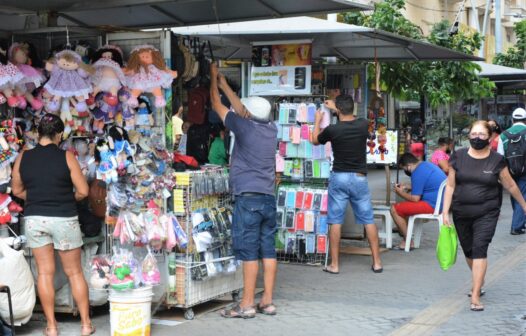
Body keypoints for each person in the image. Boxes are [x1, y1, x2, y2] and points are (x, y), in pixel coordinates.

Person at [11, 114, 94, 336]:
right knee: (74, 272)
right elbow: (84, 191)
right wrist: (64, 198)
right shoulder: (66, 157)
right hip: (64, 218)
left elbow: (17, 190)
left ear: (39, 133)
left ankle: (51, 327)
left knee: (45, 274)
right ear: (59, 134)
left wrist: (39, 198)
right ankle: (86, 325)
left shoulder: (23, 157)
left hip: (35, 219)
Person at [210, 63, 278, 318]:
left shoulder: (245, 127)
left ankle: (247, 304)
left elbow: (218, 105)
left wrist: (214, 81)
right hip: (268, 198)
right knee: (267, 250)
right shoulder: (271, 129)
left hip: (248, 199)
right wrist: (224, 83)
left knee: (249, 252)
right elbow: (240, 108)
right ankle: (267, 302)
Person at [442, 120, 526, 312]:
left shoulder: (496, 160)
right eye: (473, 134)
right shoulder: (458, 156)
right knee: (469, 251)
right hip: (461, 212)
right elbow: (450, 185)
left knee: (480, 249)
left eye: (481, 135)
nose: (477, 138)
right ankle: (479, 278)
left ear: (490, 137)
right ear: (468, 136)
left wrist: (523, 205)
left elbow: (511, 185)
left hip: (487, 212)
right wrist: (445, 211)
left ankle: (476, 294)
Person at [311, 95, 383, 274]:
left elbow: (314, 140)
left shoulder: (332, 130)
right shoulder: (363, 124)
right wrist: (337, 107)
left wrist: (317, 121)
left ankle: (334, 265)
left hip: (339, 177)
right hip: (359, 177)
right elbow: (357, 122)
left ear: (338, 111)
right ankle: (377, 262)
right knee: (368, 219)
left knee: (335, 220)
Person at [391, 153, 446, 250]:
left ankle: (407, 241)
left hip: (432, 205)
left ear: (408, 166)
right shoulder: (425, 165)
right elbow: (426, 185)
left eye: (404, 168)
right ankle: (406, 236)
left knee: (395, 209)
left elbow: (415, 199)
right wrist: (407, 186)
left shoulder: (417, 172)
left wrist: (400, 193)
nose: (405, 171)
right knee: (405, 207)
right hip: (441, 203)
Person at [497, 108, 526, 235]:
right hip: (525, 170)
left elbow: (499, 156)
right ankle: (517, 226)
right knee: (523, 195)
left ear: (512, 120)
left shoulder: (503, 135)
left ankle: (518, 220)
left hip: (509, 170)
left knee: (515, 193)